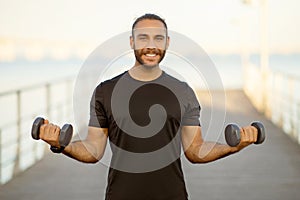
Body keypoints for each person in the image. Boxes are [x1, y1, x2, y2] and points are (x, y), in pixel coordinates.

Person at [39, 13, 258, 200]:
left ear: (167, 43)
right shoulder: (105, 91)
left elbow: (195, 150)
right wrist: (60, 144)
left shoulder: (182, 91)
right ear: (132, 42)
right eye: (143, 38)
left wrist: (234, 146)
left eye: (158, 38)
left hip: (172, 195)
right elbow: (93, 150)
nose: (151, 45)